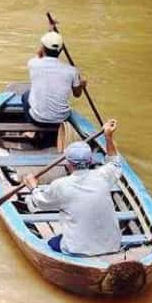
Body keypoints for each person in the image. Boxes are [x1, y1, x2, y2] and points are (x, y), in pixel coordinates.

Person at [24, 119, 123, 256]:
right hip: (112, 245)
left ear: (68, 163)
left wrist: (33, 187)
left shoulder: (61, 185)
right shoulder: (103, 175)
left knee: (52, 243)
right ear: (90, 161)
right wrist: (108, 137)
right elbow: (114, 162)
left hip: (78, 250)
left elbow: (40, 203)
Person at [21, 32, 86, 128]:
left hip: (37, 120)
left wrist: (49, 34)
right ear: (60, 51)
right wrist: (82, 85)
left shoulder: (33, 64)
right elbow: (77, 94)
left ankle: (32, 130)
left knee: (26, 95)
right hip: (62, 120)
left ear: (42, 48)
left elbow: (39, 55)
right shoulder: (72, 71)